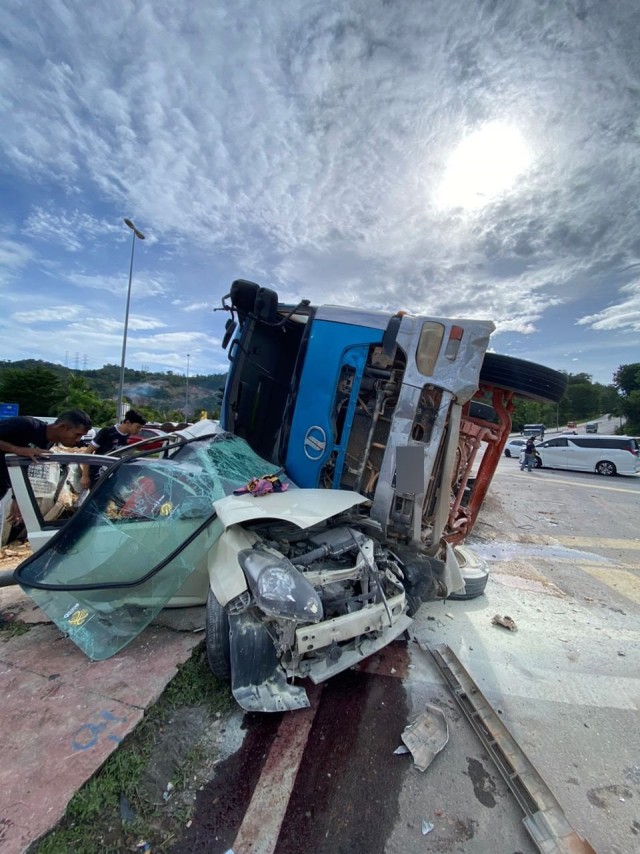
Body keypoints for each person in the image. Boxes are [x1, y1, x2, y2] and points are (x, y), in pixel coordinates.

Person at [0, 410, 92, 503]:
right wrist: (17, 450)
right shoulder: (26, 425)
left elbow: (23, 470)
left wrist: (16, 499)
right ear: (62, 426)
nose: (78, 439)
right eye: (77, 434)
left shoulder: (47, 444)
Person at [79, 409, 147, 491]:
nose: (139, 430)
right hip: (97, 476)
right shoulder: (107, 432)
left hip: (113, 477)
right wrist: (85, 476)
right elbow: (88, 452)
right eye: (138, 427)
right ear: (128, 423)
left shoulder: (129, 438)